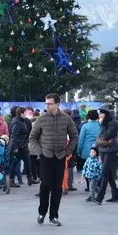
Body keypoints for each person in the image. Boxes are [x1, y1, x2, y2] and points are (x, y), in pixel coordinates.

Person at [29, 93, 78, 227]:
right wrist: (40, 153)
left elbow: (74, 136)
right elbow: (32, 138)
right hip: (46, 156)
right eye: (46, 103)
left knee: (57, 187)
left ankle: (53, 216)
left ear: (57, 104)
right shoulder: (41, 119)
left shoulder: (66, 118)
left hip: (60, 157)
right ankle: (42, 212)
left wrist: (68, 151)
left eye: (50, 103)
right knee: (45, 185)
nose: (48, 106)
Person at [90, 104, 118, 205]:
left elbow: (107, 136)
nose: (100, 115)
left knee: (105, 172)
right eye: (99, 113)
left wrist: (102, 125)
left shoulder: (113, 123)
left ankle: (100, 197)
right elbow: (100, 136)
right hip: (103, 149)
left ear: (106, 113)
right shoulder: (103, 123)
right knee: (109, 173)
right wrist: (95, 148)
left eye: (101, 113)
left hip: (111, 150)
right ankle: (115, 195)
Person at [76, 109, 100, 192]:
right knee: (98, 168)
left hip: (87, 150)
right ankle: (97, 184)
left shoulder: (85, 126)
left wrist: (79, 150)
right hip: (99, 149)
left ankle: (88, 185)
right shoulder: (100, 125)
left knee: (87, 168)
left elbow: (81, 139)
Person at [8, 107, 33, 186]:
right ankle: (12, 180)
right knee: (15, 163)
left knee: (26, 162)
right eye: (25, 112)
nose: (26, 114)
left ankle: (30, 179)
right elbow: (14, 135)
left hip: (21, 145)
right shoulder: (17, 122)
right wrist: (15, 147)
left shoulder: (20, 121)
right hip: (19, 146)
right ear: (21, 113)